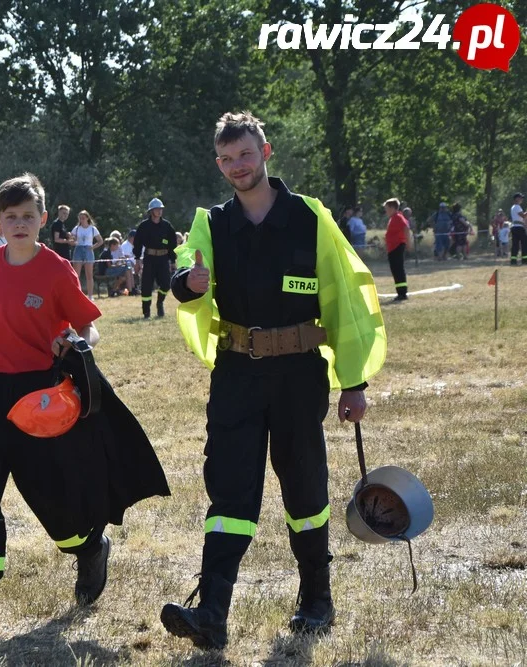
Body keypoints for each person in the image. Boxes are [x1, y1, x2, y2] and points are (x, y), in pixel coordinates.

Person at [160, 112, 386, 650]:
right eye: (227, 158)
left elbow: (346, 300)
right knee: (230, 489)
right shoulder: (210, 224)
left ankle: (316, 599)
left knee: (304, 484)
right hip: (236, 373)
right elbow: (185, 276)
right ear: (219, 165)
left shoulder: (310, 219)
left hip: (298, 374)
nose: (237, 166)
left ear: (266, 152)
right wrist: (190, 284)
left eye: (246, 154)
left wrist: (353, 382)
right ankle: (211, 610)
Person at [0, 172, 169, 639]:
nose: (19, 224)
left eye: (28, 216)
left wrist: (75, 342)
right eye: (10, 217)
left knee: (49, 493)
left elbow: (90, 328)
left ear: (43, 218)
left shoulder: (57, 269)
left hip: (39, 394)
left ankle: (88, 547)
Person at [133, 198, 178, 318]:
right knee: (146, 286)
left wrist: (173, 260)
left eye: (161, 209)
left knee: (166, 284)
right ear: (151, 211)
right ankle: (146, 312)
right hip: (149, 259)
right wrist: (137, 260)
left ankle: (160, 302)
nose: (159, 211)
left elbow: (172, 244)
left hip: (163, 259)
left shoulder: (167, 226)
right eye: (157, 209)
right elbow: (137, 243)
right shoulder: (144, 226)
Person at [69, 210, 103, 299]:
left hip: (88, 249)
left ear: (87, 218)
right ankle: (76, 294)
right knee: (76, 274)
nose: (81, 220)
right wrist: (72, 241)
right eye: (80, 218)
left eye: (83, 218)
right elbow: (71, 239)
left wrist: (93, 247)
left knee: (89, 274)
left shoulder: (92, 229)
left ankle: (90, 295)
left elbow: (100, 241)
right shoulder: (76, 228)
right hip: (79, 249)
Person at [383, 198, 411, 302]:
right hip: (392, 248)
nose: (386, 211)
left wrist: (408, 243)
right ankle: (400, 292)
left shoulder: (398, 217)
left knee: (398, 270)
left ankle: (402, 293)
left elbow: (406, 228)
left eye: (387, 208)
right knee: (395, 270)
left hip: (397, 247)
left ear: (392, 208)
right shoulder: (393, 218)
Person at [509, 193, 525, 266]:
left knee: (515, 244)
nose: (522, 199)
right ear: (516, 199)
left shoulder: (513, 207)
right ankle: (525, 260)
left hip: (515, 227)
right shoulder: (517, 207)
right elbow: (523, 216)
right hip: (519, 227)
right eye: (521, 198)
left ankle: (513, 260)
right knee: (524, 244)